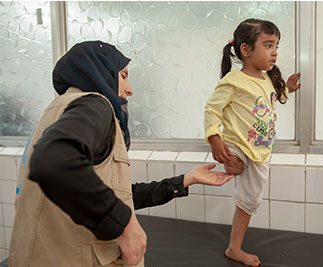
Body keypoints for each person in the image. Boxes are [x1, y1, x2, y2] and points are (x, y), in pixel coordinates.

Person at [9, 41, 234, 267]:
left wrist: (186, 180)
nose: (130, 89)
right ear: (99, 72)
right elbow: (54, 161)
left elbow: (111, 194)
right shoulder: (96, 105)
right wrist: (125, 225)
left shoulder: (56, 110)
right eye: (123, 75)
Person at [204, 19, 301, 266]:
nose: (275, 51)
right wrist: (214, 139)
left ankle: (234, 246)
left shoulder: (267, 79)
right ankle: (234, 248)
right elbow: (212, 110)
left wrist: (287, 89)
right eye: (268, 45)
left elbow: (271, 99)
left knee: (251, 202)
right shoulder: (233, 81)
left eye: (276, 45)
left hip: (261, 150)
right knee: (234, 163)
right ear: (245, 50)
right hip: (237, 143)